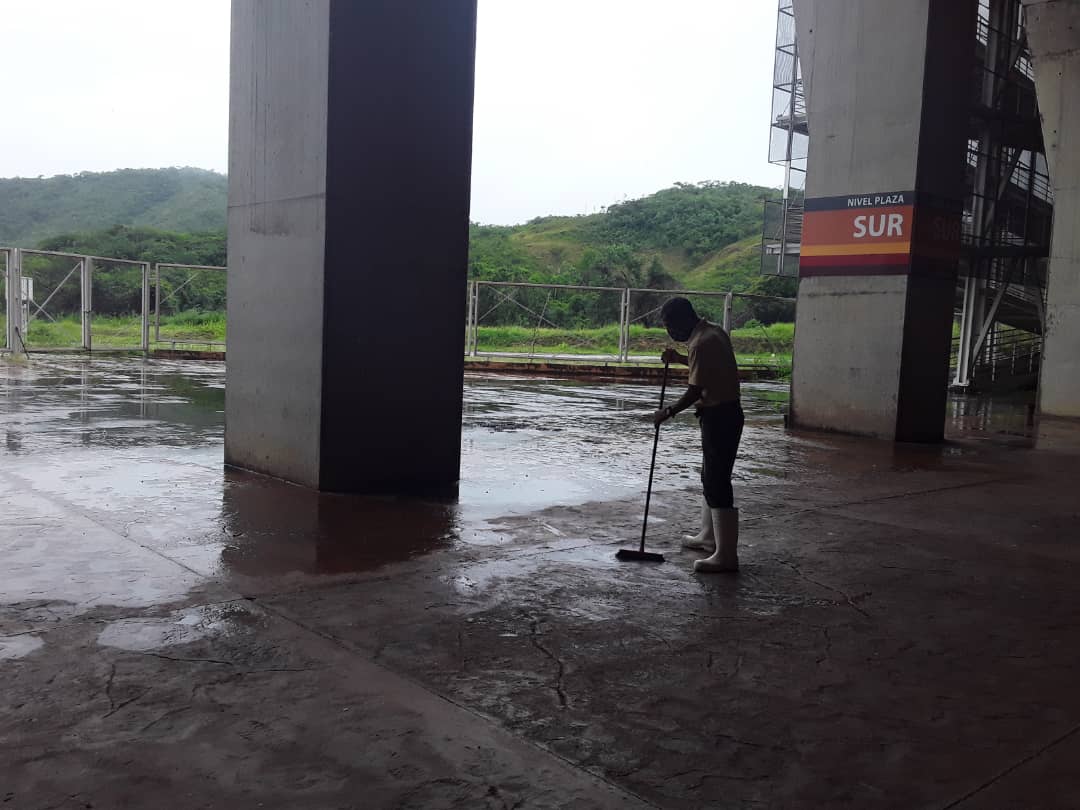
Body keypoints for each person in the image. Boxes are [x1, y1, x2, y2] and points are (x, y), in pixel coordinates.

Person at [652, 297, 744, 573]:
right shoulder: (712, 333)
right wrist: (679, 358)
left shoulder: (702, 343)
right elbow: (704, 367)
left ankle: (726, 556)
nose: (670, 332)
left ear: (682, 320)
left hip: (720, 417)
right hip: (725, 414)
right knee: (711, 477)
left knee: (717, 482)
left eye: (669, 325)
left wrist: (667, 412)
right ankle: (708, 537)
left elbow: (695, 390)